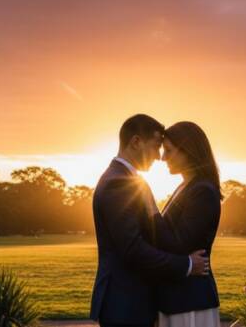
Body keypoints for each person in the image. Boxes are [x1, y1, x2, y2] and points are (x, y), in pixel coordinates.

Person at [90, 114, 210, 327]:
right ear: (136, 142)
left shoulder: (126, 180)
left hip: (131, 301)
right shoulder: (118, 183)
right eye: (156, 146)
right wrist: (187, 264)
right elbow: (133, 248)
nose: (158, 156)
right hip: (125, 303)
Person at [151, 121, 223, 327]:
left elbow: (179, 244)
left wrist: (150, 208)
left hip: (191, 299)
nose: (163, 157)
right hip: (176, 297)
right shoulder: (186, 186)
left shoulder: (203, 191)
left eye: (169, 150)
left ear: (188, 152)